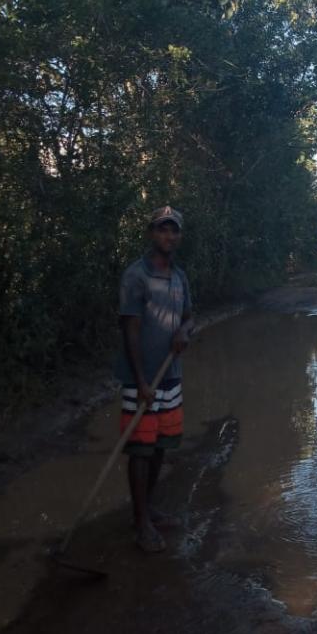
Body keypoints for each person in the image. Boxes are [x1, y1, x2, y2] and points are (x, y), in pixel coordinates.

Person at [114, 205, 194, 553]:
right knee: (140, 450)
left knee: (161, 445)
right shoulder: (136, 276)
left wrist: (184, 331)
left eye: (174, 230)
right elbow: (129, 331)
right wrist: (142, 382)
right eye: (163, 229)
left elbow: (189, 316)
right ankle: (140, 523)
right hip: (142, 378)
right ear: (151, 233)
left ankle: (148, 508)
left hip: (170, 376)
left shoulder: (179, 277)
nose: (169, 236)